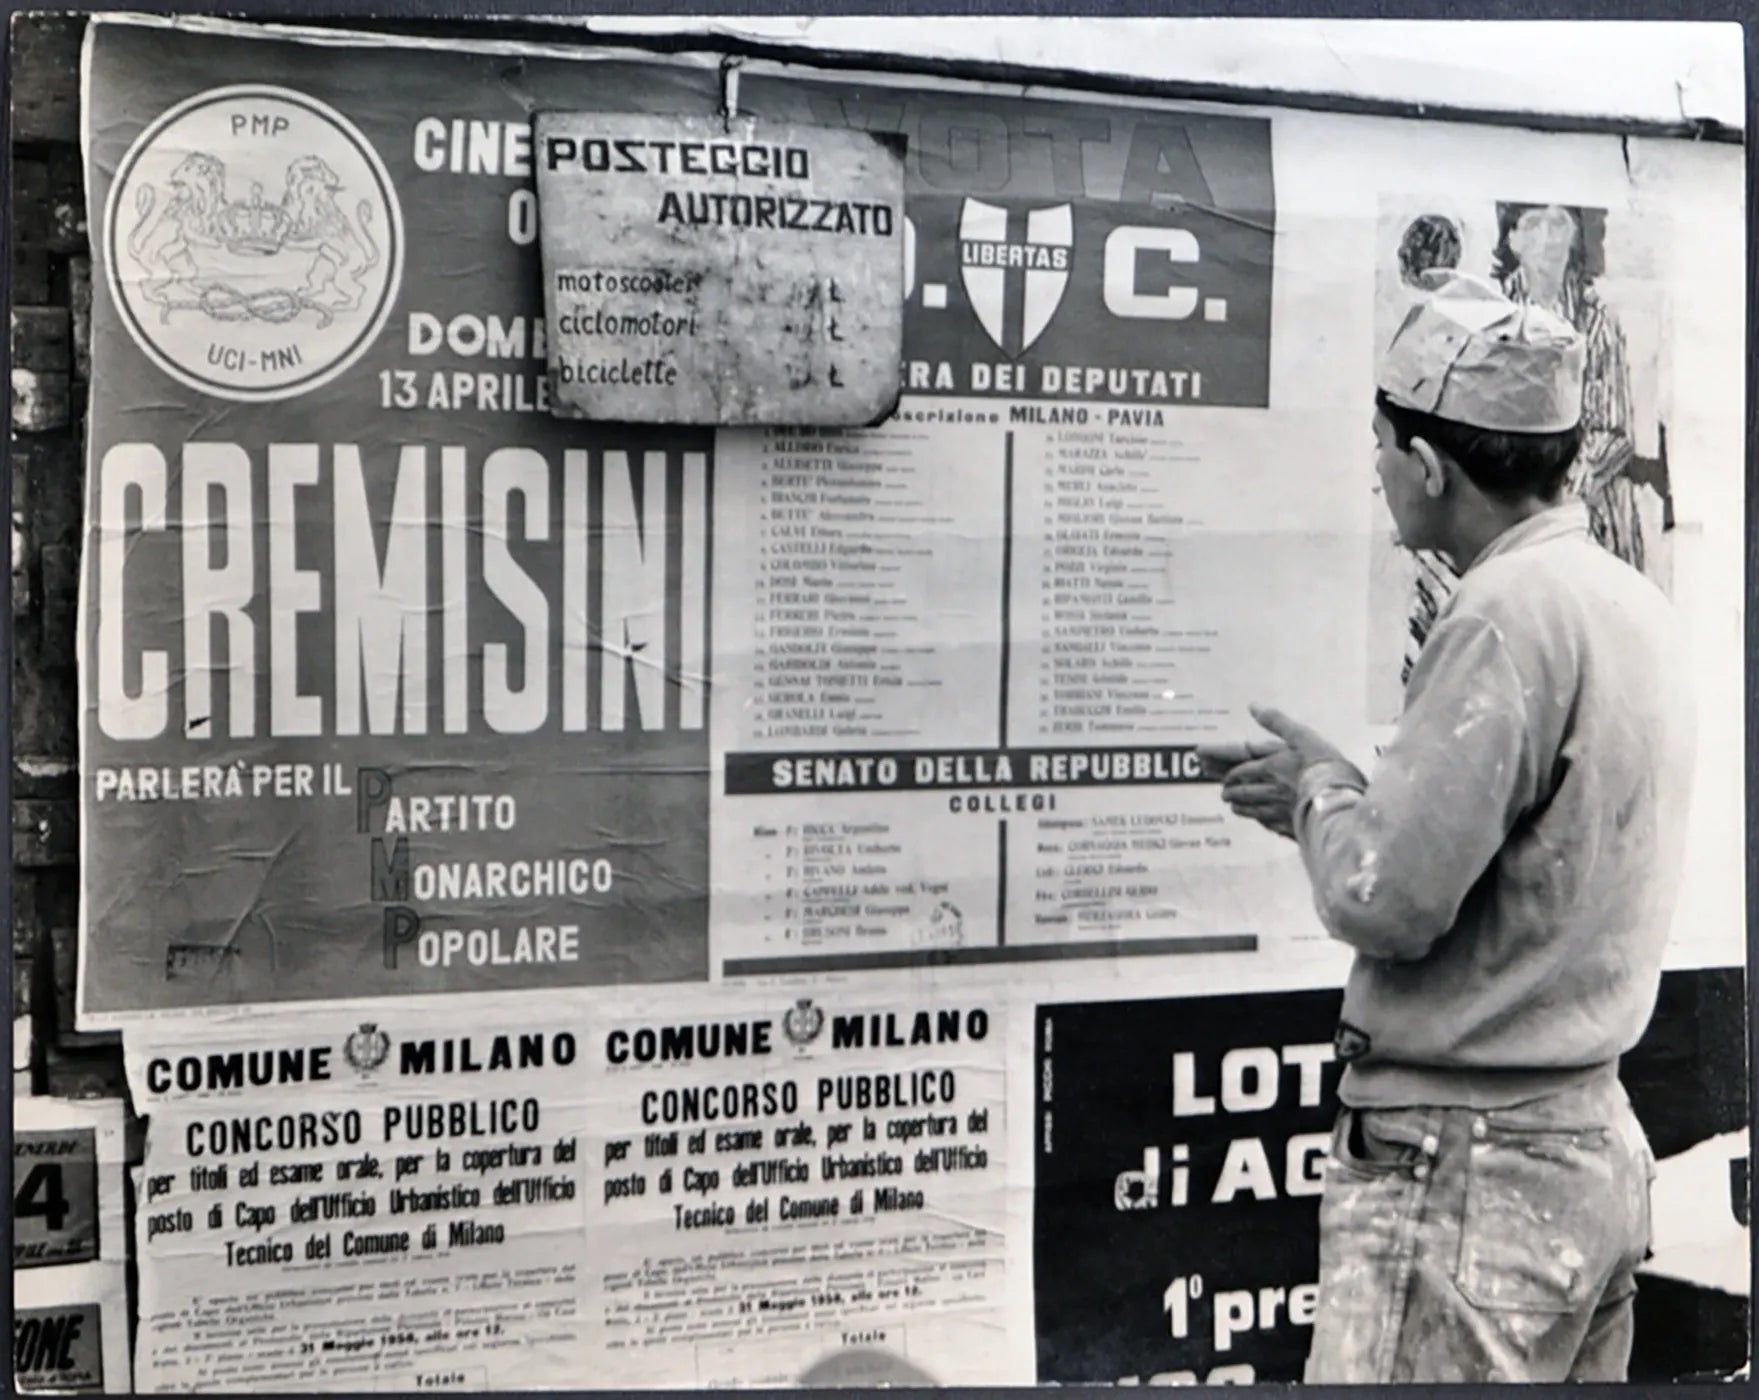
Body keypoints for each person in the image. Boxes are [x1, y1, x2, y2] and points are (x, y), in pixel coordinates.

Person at [1196, 271, 1695, 1383]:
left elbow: (1387, 896)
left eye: (1381, 445)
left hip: (1472, 1175)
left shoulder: (1501, 613)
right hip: (1586, 1151)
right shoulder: (1626, 603)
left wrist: (1316, 797)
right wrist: (1343, 781)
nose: (1376, 471)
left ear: (1426, 466)